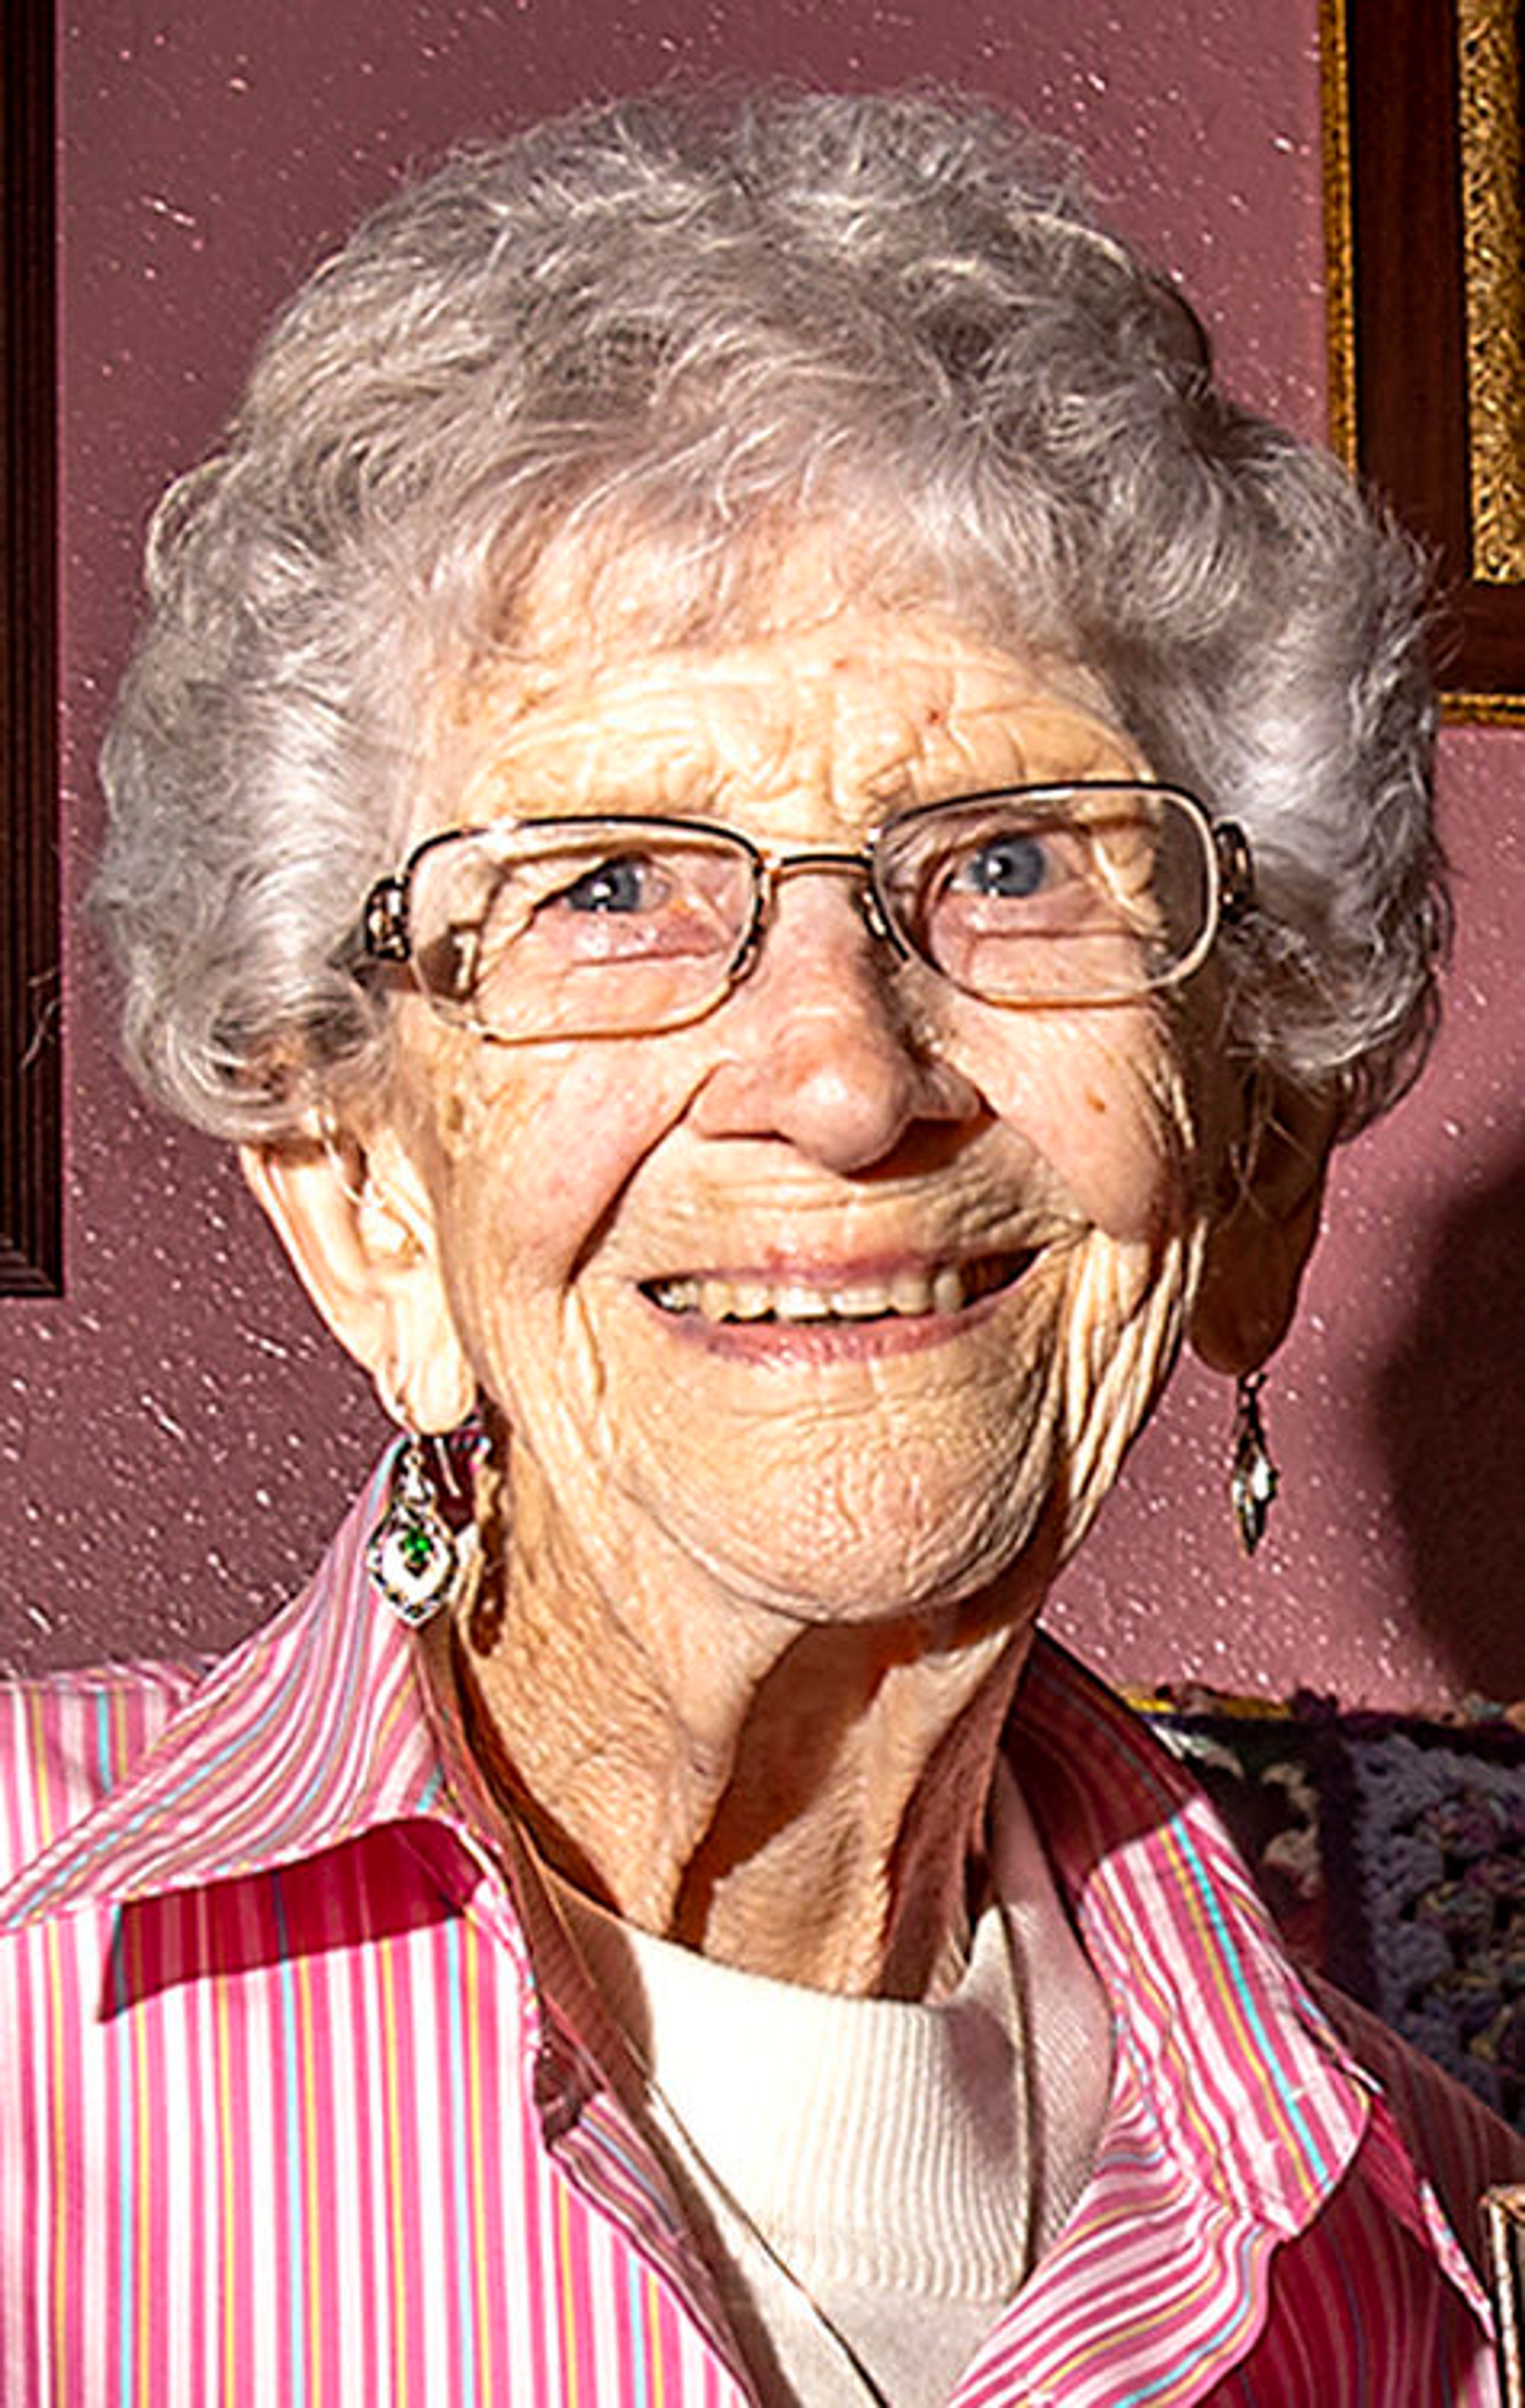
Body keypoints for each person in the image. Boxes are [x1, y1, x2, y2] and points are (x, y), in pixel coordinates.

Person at [2, 89, 1519, 2407]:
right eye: (610, 888)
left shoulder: (1414, 2254)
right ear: (357, 1188)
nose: (841, 1076)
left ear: (1258, 1167)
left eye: (1016, 863)